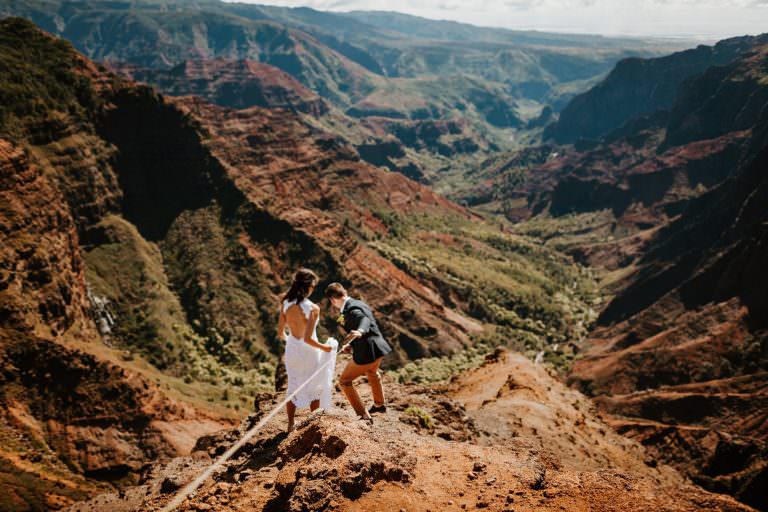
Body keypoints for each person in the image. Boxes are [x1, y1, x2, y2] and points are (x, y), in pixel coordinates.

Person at [325, 282, 392, 423]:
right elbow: (355, 322)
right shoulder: (356, 304)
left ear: (332, 299)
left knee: (344, 381)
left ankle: (363, 415)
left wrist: (360, 331)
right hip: (378, 348)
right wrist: (351, 344)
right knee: (373, 373)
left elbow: (364, 320)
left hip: (367, 352)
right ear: (345, 292)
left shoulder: (352, 309)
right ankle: (379, 405)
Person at [279, 268, 336, 432]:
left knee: (293, 386)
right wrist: (326, 347)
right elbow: (309, 339)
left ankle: (290, 424)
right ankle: (313, 425)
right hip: (310, 353)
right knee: (314, 387)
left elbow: (280, 332)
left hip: (292, 351)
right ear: (309, 286)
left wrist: (291, 341)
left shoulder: (285, 303)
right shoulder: (312, 308)